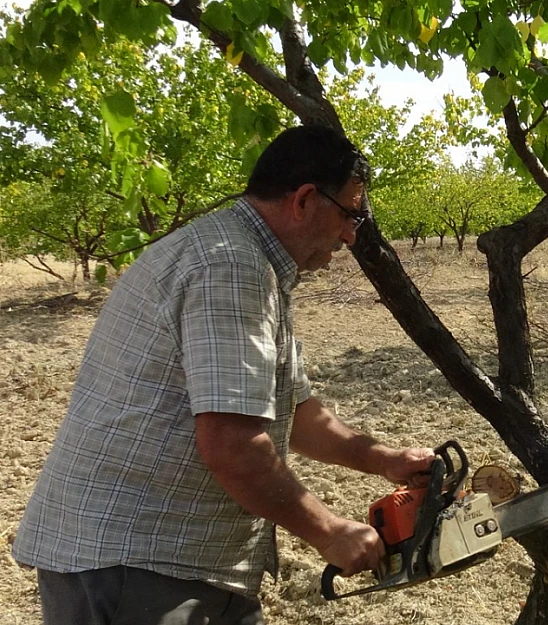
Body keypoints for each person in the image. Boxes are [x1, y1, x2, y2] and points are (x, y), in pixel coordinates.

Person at [11, 125, 434, 625]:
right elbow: (232, 444)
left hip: (148, 561)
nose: (350, 235)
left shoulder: (244, 259)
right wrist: (329, 531)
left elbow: (294, 411)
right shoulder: (232, 268)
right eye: (351, 215)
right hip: (138, 565)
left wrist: (382, 459)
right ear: (304, 200)